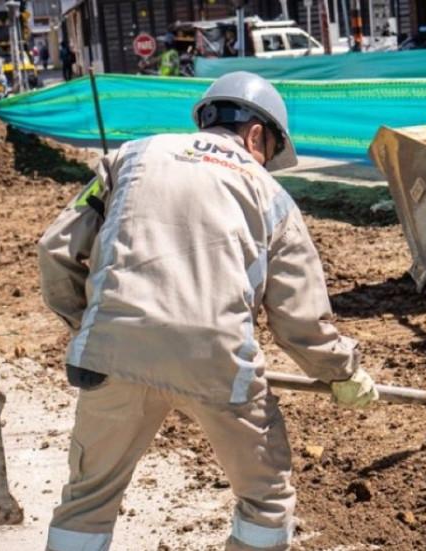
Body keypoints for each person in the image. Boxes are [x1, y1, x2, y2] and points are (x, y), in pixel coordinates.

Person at [38, 71, 379, 551]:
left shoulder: (129, 158)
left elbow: (55, 250)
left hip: (112, 355)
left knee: (87, 498)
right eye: (269, 150)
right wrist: (342, 369)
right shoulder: (271, 196)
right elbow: (299, 319)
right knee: (266, 500)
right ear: (257, 134)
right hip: (218, 367)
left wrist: (93, 327)